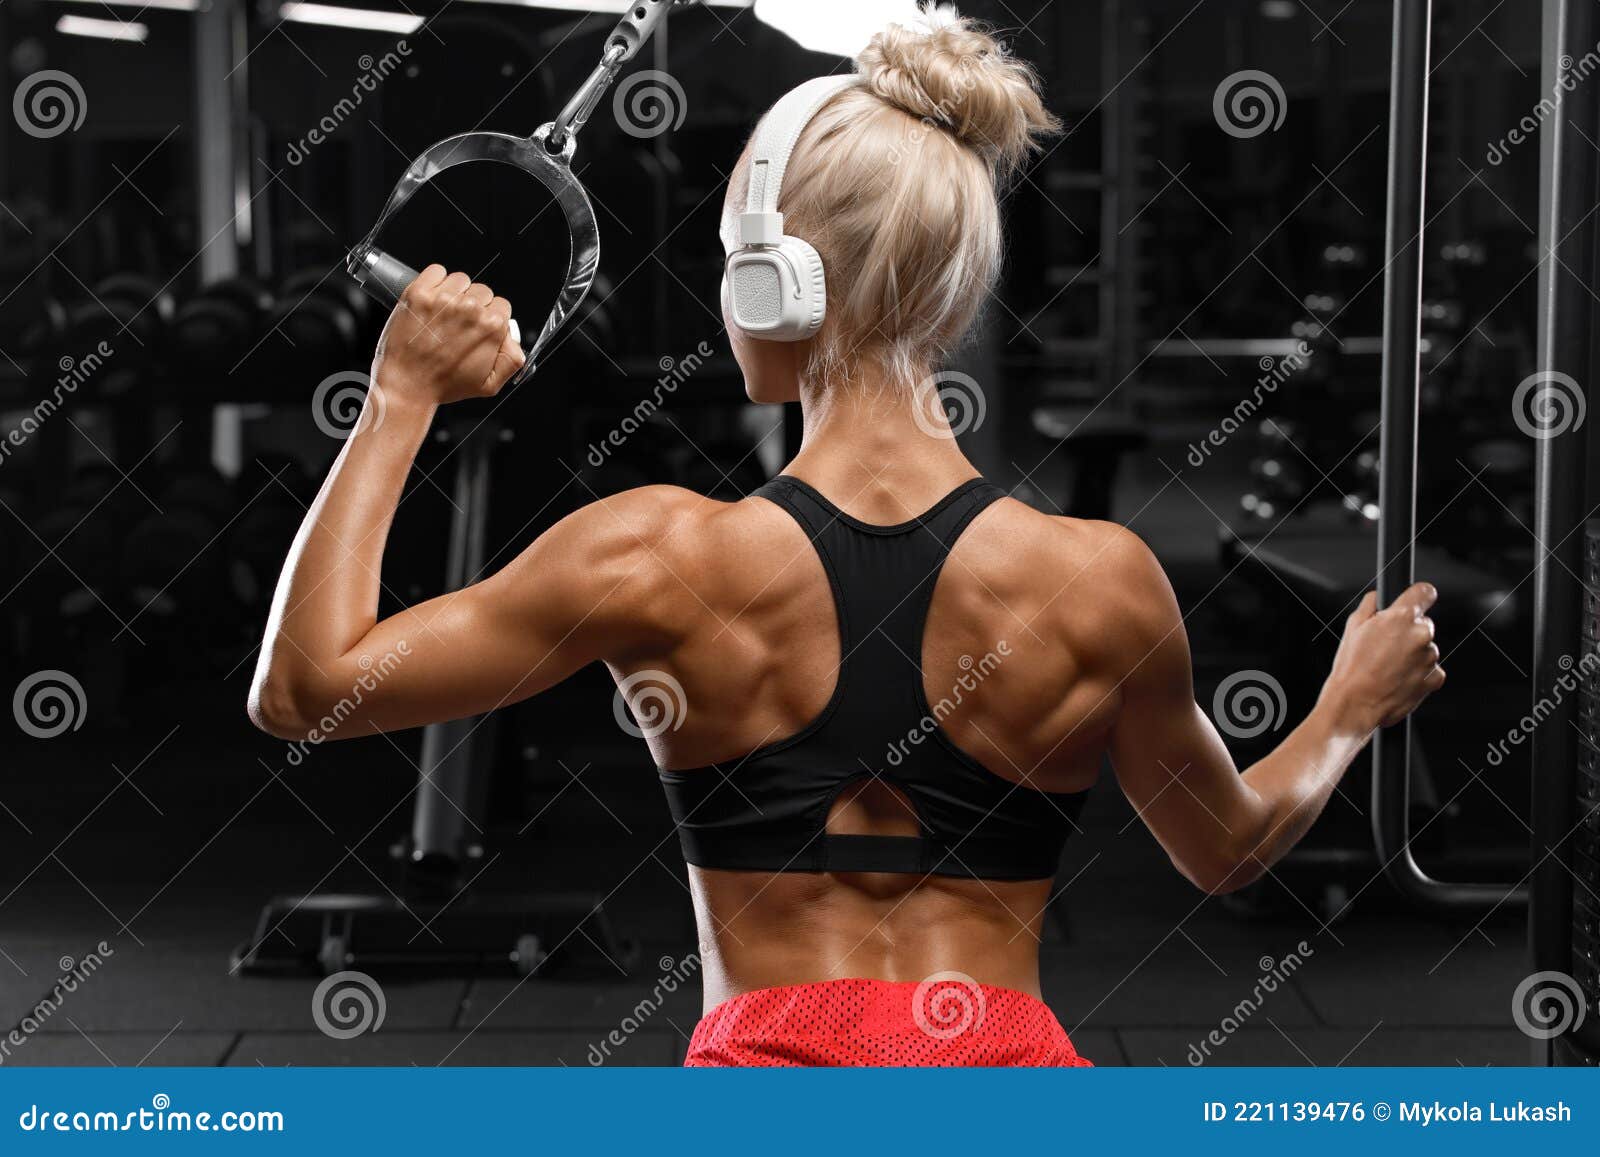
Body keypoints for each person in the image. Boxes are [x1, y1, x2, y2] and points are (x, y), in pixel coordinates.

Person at [249, 9, 1444, 1066]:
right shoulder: (1097, 581)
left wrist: (399, 394)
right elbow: (1225, 851)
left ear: (775, 285)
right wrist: (1342, 710)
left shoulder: (655, 555)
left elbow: (303, 690)